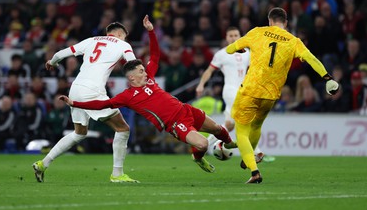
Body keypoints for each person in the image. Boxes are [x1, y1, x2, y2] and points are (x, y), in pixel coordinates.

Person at [60, 15, 237, 173]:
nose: (146, 72)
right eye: (141, 70)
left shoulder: (149, 77)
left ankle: (230, 145)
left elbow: (155, 55)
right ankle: (198, 158)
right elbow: (101, 104)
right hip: (174, 123)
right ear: (132, 77)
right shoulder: (127, 96)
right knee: (203, 144)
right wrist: (76, 104)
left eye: (144, 69)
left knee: (218, 129)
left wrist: (151, 32)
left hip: (186, 110)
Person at [226, 7, 339, 184]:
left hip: (250, 90)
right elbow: (312, 59)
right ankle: (249, 156)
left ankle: (254, 171)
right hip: (271, 95)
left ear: (270, 21)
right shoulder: (293, 41)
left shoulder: (257, 32)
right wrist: (328, 78)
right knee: (256, 126)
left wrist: (238, 49)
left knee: (241, 130)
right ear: (285, 23)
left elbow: (229, 49)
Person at [32, 20, 139, 183]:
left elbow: (60, 54)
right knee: (123, 129)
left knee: (79, 133)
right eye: (124, 36)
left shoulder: (91, 40)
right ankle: (117, 174)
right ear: (118, 34)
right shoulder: (122, 45)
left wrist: (51, 62)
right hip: (93, 91)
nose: (124, 39)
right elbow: (133, 64)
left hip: (76, 88)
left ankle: (42, 164)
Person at [196, 27, 264, 162]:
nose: (233, 38)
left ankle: (203, 146)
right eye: (231, 36)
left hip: (244, 91)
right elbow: (209, 71)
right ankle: (256, 152)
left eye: (236, 35)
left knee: (229, 124)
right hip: (230, 91)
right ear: (226, 38)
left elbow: (255, 70)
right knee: (245, 119)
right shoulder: (222, 54)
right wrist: (201, 84)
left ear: (240, 36)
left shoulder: (247, 53)